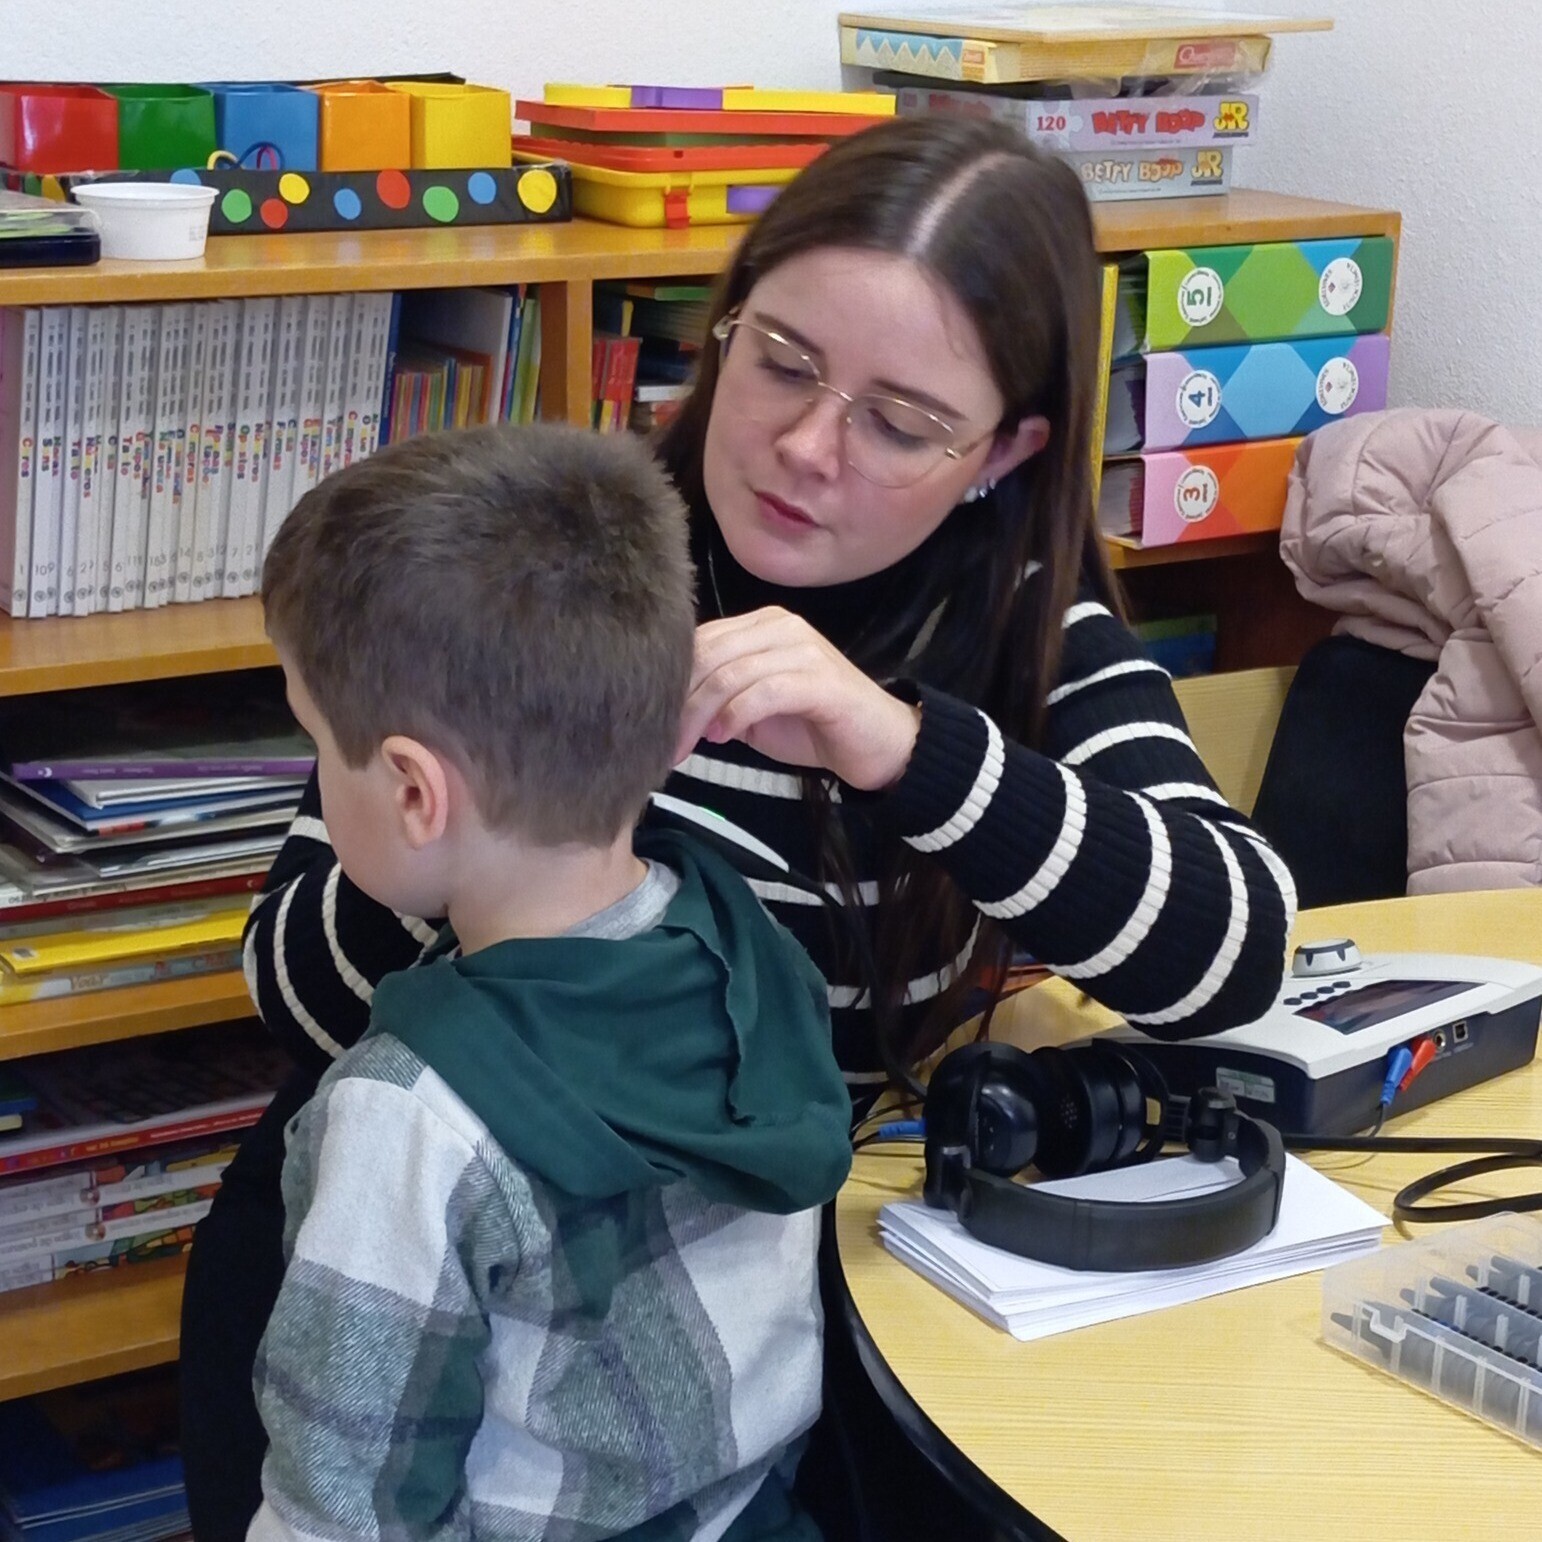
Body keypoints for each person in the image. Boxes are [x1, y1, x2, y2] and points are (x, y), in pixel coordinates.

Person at [182, 116, 1296, 1538]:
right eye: (778, 361)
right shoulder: (550, 562)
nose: (802, 448)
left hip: (731, 1356)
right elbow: (291, 982)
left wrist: (901, 746)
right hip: (396, 1300)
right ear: (724, 322)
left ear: (1003, 449)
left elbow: (1234, 946)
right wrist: (534, 795)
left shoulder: (1023, 638)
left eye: (898, 422)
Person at [242, 424, 853, 1542]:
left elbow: (344, 1499)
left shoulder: (412, 1121)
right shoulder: (749, 949)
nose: (321, 782)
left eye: (319, 745)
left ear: (417, 795)